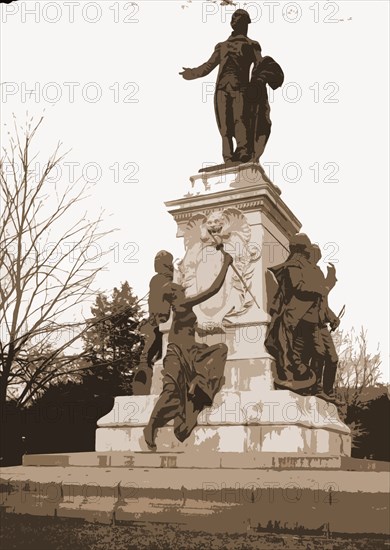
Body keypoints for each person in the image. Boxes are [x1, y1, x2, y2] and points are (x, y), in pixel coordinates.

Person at [143, 248, 233, 450]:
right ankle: (151, 426)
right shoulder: (182, 304)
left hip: (192, 351)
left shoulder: (183, 307)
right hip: (176, 352)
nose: (181, 289)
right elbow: (213, 290)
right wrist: (225, 264)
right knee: (170, 391)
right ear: (173, 297)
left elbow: (190, 326)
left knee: (220, 350)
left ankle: (198, 389)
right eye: (177, 289)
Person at [180, 9, 283, 164]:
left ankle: (243, 154)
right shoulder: (221, 46)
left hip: (241, 90)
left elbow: (260, 64)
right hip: (221, 90)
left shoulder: (251, 44)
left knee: (240, 121)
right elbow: (208, 66)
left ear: (246, 24)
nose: (236, 22)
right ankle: (227, 158)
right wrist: (192, 73)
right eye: (235, 19)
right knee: (224, 126)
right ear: (232, 24)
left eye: (240, 20)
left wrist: (261, 80)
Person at [265, 234, 336, 390]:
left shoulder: (311, 269)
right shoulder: (294, 265)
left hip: (310, 318)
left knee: (318, 353)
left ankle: (312, 386)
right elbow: (298, 286)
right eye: (308, 250)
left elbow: (320, 301)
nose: (310, 254)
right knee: (292, 351)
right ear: (303, 250)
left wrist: (330, 314)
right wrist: (324, 287)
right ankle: (294, 379)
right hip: (296, 317)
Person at [132, 251, 174, 395]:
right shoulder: (161, 279)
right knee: (154, 356)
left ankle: (143, 390)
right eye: (155, 260)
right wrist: (149, 318)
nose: (155, 263)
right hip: (157, 322)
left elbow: (162, 301)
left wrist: (157, 319)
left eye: (158, 260)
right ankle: (148, 388)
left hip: (161, 323)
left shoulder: (164, 279)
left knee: (147, 356)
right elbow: (153, 301)